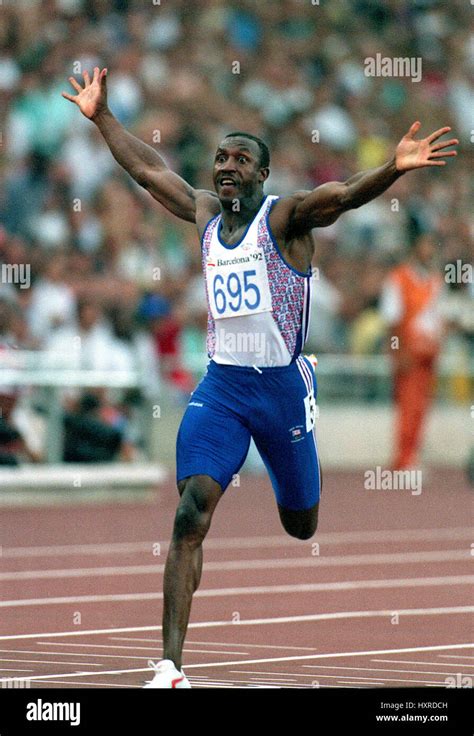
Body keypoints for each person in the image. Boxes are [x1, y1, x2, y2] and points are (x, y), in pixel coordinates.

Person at [62, 67, 458, 688]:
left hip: (280, 392)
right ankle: (170, 667)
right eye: (220, 158)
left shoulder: (286, 221)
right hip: (222, 387)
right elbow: (147, 171)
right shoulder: (203, 215)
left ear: (262, 174)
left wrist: (394, 168)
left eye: (239, 159)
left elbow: (346, 195)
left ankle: (307, 405)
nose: (225, 167)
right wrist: (102, 117)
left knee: (302, 525)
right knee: (192, 512)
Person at [380, 234, 445, 470]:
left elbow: (438, 317)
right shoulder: (399, 278)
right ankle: (403, 459)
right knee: (407, 406)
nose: (431, 250)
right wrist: (397, 353)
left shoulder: (435, 280)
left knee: (421, 407)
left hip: (429, 351)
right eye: (427, 245)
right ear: (416, 247)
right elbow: (391, 319)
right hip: (409, 352)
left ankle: (413, 454)